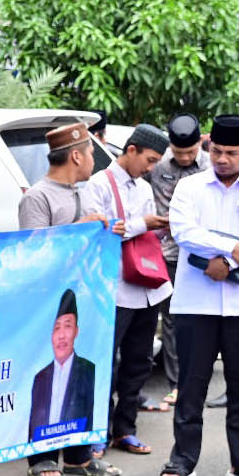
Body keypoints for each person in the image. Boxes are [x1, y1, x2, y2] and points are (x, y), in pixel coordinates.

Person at [158, 114, 239, 476]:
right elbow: (183, 231)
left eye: (232, 153)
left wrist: (226, 262)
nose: (222, 159)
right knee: (191, 383)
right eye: (217, 151)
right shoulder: (190, 187)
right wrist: (231, 248)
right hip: (196, 300)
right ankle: (182, 459)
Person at [17, 121, 116, 476]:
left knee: (83, 375)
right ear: (76, 155)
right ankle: (42, 457)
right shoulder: (37, 197)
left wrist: (107, 231)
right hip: (50, 307)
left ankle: (79, 455)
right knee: (48, 378)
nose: (93, 160)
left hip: (88, 302)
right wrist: (81, 228)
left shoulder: (87, 192)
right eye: (91, 153)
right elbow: (37, 254)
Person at [82, 123, 172, 455]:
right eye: (149, 160)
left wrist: (161, 228)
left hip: (147, 287)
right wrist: (141, 225)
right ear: (130, 150)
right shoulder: (98, 185)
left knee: (140, 361)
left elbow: (144, 235)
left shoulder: (144, 188)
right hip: (115, 287)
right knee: (108, 360)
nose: (151, 168)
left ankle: (126, 429)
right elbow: (99, 233)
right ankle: (98, 434)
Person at [149, 113, 209, 393]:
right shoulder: (158, 168)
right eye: (178, 152)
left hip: (205, 255)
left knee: (202, 320)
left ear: (199, 143)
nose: (185, 158)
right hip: (169, 255)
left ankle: (199, 380)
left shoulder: (212, 166)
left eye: (190, 152)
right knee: (172, 321)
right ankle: (177, 384)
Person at [26, 289, 97, 438]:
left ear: (76, 331)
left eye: (68, 326)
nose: (62, 335)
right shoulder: (40, 378)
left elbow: (92, 418)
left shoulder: (89, 371)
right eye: (56, 328)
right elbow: (33, 427)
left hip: (77, 447)